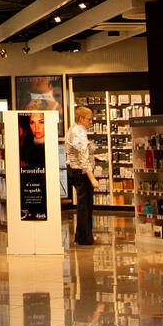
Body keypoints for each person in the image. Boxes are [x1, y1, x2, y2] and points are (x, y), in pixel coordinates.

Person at [66, 105, 99, 246]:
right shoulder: (79, 132)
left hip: (74, 170)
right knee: (85, 206)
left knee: (83, 204)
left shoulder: (74, 129)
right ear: (81, 118)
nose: (91, 122)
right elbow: (82, 158)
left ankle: (81, 237)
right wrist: (92, 178)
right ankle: (85, 239)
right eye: (89, 119)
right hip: (81, 172)